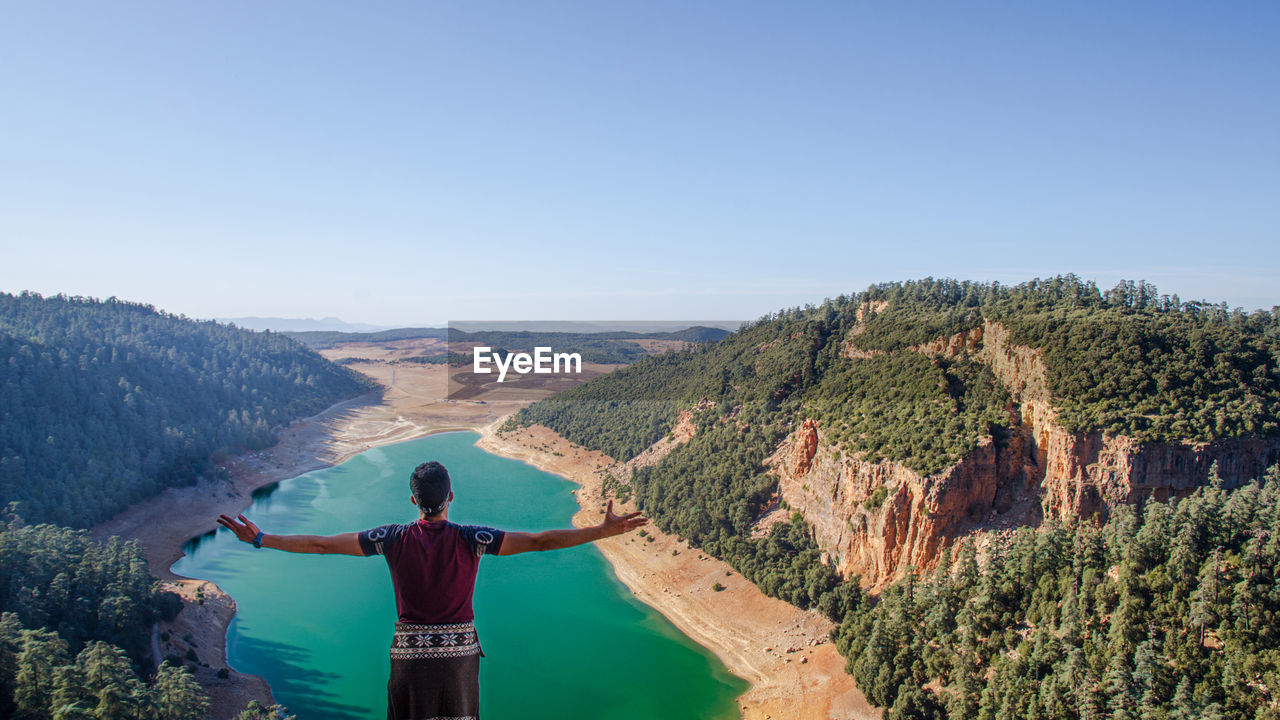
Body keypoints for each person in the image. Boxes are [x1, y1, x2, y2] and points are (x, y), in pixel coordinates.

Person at [216, 460, 646, 720]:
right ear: (450, 497)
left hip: (408, 658)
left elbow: (322, 544)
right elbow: (539, 541)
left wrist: (259, 539)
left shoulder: (391, 538)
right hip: (458, 661)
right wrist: (601, 531)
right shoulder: (473, 538)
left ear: (413, 500)